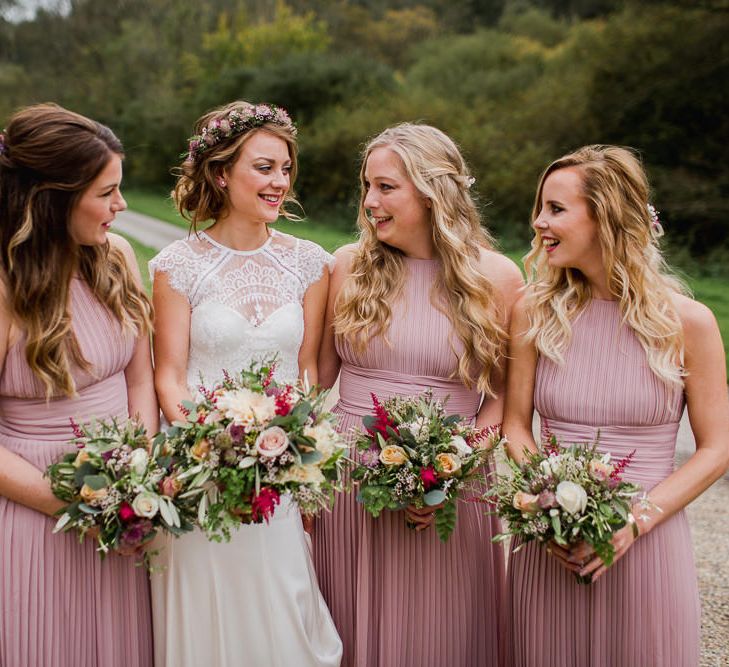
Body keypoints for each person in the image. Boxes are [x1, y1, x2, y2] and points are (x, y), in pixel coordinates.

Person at [502, 145, 729, 666]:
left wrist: (635, 521)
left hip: (647, 544)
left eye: (556, 209)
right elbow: (515, 425)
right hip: (552, 545)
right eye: (541, 207)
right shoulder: (533, 312)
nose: (538, 221)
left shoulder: (689, 323)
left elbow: (716, 449)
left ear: (605, 215)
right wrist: (548, 500)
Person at [312, 123, 523, 667]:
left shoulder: (495, 277)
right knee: (344, 628)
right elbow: (316, 382)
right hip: (350, 479)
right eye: (367, 186)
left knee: (440, 636)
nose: (369, 202)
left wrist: (448, 473)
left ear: (433, 192)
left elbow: (503, 402)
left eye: (386, 188)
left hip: (452, 481)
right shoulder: (347, 266)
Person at [149, 100, 342, 667]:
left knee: (286, 618)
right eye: (263, 168)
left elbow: (307, 374)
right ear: (219, 173)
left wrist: (293, 461)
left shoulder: (312, 264)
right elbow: (170, 377)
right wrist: (218, 453)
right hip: (203, 471)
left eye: (285, 168)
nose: (279, 181)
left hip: (278, 475)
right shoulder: (176, 265)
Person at [0, 103, 156, 666]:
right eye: (106, 192)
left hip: (124, 508)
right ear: (53, 198)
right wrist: (77, 504)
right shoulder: (4, 285)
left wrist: (138, 474)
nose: (121, 206)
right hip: (36, 509)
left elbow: (141, 379)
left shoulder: (114, 257)